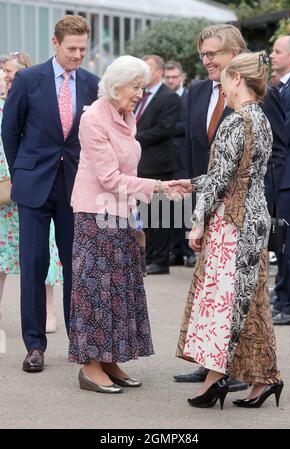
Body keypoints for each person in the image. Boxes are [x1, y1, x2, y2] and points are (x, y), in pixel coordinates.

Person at [173, 24, 287, 391]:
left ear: (235, 60)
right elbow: (201, 156)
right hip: (222, 207)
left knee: (231, 295)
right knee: (232, 295)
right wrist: (192, 189)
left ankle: (226, 372)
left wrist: (250, 209)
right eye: (203, 54)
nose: (207, 61)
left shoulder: (257, 103)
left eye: (214, 54)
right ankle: (217, 366)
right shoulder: (195, 93)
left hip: (238, 216)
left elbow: (268, 159)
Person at [68, 55, 186, 393]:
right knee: (96, 291)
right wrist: (159, 187)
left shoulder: (125, 114)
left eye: (142, 86)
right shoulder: (94, 118)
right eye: (136, 87)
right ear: (116, 85)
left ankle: (109, 359)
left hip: (119, 213)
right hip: (95, 214)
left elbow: (127, 173)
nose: (140, 93)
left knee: (119, 289)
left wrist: (142, 201)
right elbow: (107, 177)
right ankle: (90, 366)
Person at [1, 15, 99, 373]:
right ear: (54, 44)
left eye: (83, 49)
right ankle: (34, 345)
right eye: (71, 48)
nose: (77, 55)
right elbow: (9, 132)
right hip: (33, 184)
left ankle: (80, 342)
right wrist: (22, 171)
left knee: (77, 264)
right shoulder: (28, 79)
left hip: (76, 186)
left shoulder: (92, 83)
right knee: (33, 263)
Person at [0, 53, 63, 333]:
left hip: (33, 184)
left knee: (43, 255)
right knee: (5, 256)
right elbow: (9, 137)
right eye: (3, 71)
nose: (6, 76)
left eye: (10, 71)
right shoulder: (6, 102)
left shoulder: (34, 93)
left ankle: (49, 314)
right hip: (13, 183)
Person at [135, 55, 181, 275]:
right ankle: (150, 256)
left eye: (147, 68)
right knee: (145, 215)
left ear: (159, 72)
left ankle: (160, 261)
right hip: (141, 164)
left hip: (160, 164)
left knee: (159, 215)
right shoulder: (139, 94)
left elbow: (165, 128)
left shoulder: (169, 97)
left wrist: (134, 136)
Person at [270, 36, 290, 325]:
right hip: (285, 174)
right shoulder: (286, 85)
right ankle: (283, 297)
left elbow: (283, 131)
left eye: (278, 51)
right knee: (282, 243)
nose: (272, 55)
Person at [164, 60, 196, 268]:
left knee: (185, 208)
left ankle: (189, 252)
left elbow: (189, 125)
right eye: (167, 77)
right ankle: (174, 251)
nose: (170, 81)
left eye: (174, 77)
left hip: (183, 159)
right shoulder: (162, 99)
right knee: (167, 208)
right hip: (166, 159)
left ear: (182, 76)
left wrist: (166, 127)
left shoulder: (189, 98)